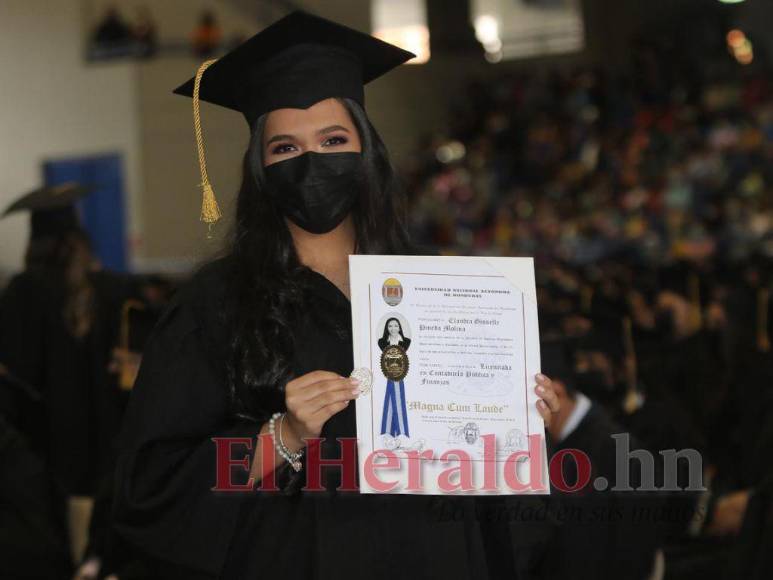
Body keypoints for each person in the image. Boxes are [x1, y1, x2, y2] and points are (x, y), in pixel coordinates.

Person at [112, 11, 560, 580]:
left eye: (332, 139)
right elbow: (153, 486)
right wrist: (283, 436)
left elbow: (504, 502)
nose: (311, 162)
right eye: (284, 148)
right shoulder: (216, 304)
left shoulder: (444, 289)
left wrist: (517, 422)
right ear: (260, 167)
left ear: (366, 151)